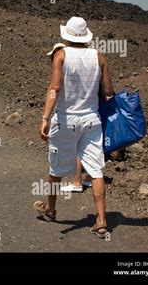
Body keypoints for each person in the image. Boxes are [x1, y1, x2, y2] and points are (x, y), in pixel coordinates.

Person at [35, 17, 115, 238]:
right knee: (96, 170)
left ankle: (50, 209)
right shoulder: (99, 56)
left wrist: (44, 117)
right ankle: (101, 220)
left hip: (66, 119)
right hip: (91, 120)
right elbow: (108, 91)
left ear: (67, 35)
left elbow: (54, 88)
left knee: (55, 169)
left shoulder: (61, 55)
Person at [45, 43, 93, 193]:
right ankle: (85, 180)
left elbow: (55, 90)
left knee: (72, 149)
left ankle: (52, 205)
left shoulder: (64, 65)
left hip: (70, 116)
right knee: (82, 147)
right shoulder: (83, 65)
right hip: (90, 115)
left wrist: (45, 117)